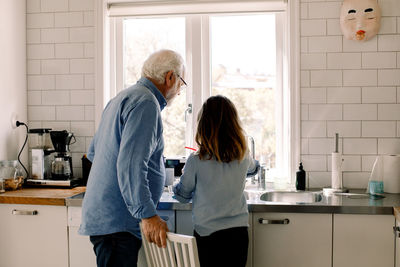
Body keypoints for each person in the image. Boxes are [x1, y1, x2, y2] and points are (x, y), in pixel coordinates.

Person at [79, 49, 186, 267]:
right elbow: (131, 166)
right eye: (181, 83)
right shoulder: (146, 103)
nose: (179, 90)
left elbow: (93, 153)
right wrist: (147, 215)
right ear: (170, 78)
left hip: (108, 220)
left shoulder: (122, 97)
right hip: (118, 223)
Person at [173, 95, 259, 267]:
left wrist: (175, 187)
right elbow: (253, 169)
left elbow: (183, 194)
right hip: (238, 235)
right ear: (234, 125)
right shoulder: (243, 156)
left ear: (203, 126)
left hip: (207, 235)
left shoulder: (196, 160)